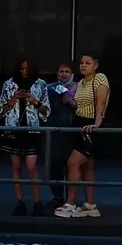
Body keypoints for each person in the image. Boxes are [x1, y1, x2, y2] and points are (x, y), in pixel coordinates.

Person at [54, 51, 110, 219]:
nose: (83, 65)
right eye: (81, 63)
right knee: (88, 166)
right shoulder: (82, 83)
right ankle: (90, 205)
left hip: (91, 125)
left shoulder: (100, 78)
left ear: (95, 65)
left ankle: (70, 204)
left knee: (73, 163)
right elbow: (78, 104)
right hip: (78, 124)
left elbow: (100, 103)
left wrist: (97, 124)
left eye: (87, 63)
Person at [0, 56, 49, 216]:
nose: (24, 72)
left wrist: (35, 102)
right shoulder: (9, 84)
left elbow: (46, 112)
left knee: (32, 166)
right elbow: (0, 111)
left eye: (27, 69)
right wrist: (13, 99)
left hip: (32, 130)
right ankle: (20, 202)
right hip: (14, 130)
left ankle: (37, 202)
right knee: (16, 166)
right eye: (22, 68)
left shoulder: (40, 84)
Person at [46, 61, 78, 207]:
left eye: (67, 72)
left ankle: (71, 200)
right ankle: (57, 196)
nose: (64, 74)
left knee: (71, 166)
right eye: (61, 71)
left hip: (72, 131)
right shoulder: (49, 88)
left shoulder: (79, 88)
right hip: (53, 130)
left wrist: (71, 102)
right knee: (54, 164)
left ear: (72, 74)